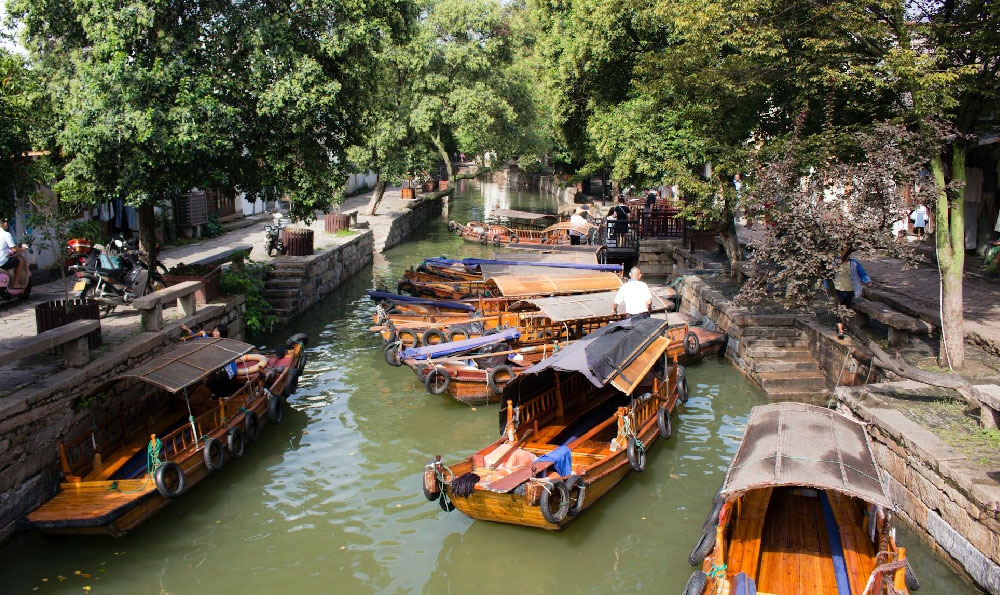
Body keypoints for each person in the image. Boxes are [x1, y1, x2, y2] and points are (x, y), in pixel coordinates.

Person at [828, 248, 873, 340]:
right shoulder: (835, 263)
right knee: (840, 308)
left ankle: (844, 325)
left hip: (849, 290)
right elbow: (827, 275)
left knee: (846, 307)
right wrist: (826, 286)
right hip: (838, 289)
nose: (848, 256)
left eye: (849, 255)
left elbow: (862, 273)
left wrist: (868, 281)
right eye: (846, 254)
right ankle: (841, 331)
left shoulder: (854, 263)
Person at [0, 217, 29, 289]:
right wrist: (23, 249)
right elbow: (14, 249)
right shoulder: (6, 234)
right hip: (2, 262)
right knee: (20, 261)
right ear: (5, 224)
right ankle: (15, 284)